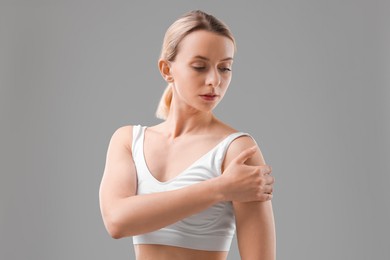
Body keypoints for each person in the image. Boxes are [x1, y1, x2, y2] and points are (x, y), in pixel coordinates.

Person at [99, 10, 276, 260]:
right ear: (166, 69)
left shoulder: (237, 151)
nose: (214, 80)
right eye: (199, 67)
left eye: (225, 68)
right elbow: (117, 221)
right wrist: (221, 188)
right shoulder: (128, 141)